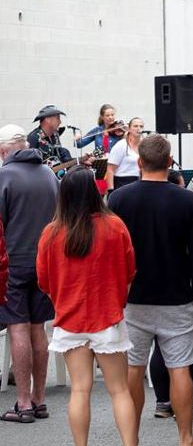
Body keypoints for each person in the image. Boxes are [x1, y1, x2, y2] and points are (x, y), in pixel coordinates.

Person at [108, 134, 193, 446]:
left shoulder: (119, 200)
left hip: (133, 297)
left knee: (133, 371)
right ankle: (186, 437)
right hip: (178, 296)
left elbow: (112, 253)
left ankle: (131, 438)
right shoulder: (187, 200)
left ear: (139, 163)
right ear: (169, 162)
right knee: (180, 369)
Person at [36, 167, 137, 446]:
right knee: (119, 390)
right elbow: (130, 271)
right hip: (108, 317)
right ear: (95, 192)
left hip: (69, 319)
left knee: (79, 390)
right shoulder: (115, 226)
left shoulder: (51, 232)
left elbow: (43, 281)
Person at [0, 124, 59, 423]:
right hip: (44, 262)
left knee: (18, 329)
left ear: (3, 150)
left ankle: (22, 403)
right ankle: (39, 399)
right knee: (39, 329)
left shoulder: (4, 177)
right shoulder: (49, 174)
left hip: (13, 262)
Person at [149, 170, 193, 421]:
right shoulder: (189, 207)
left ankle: (163, 402)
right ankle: (186, 407)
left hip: (153, 286)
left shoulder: (145, 206)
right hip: (185, 289)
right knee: (187, 354)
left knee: (159, 347)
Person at [106, 117, 144, 192]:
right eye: (135, 126)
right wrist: (111, 190)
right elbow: (110, 169)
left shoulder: (145, 145)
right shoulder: (121, 145)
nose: (138, 128)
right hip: (122, 183)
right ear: (129, 129)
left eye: (141, 126)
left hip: (140, 182)